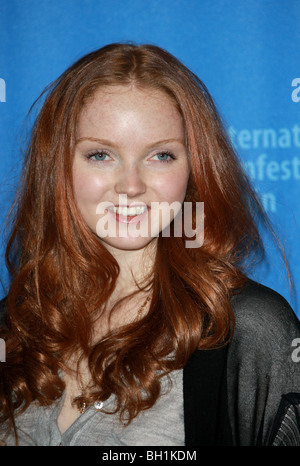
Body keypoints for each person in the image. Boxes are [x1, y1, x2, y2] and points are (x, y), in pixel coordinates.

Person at [0, 42, 299, 447]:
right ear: (57, 167)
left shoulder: (248, 331)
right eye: (101, 154)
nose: (131, 186)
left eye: (160, 155)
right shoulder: (14, 325)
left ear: (194, 169)